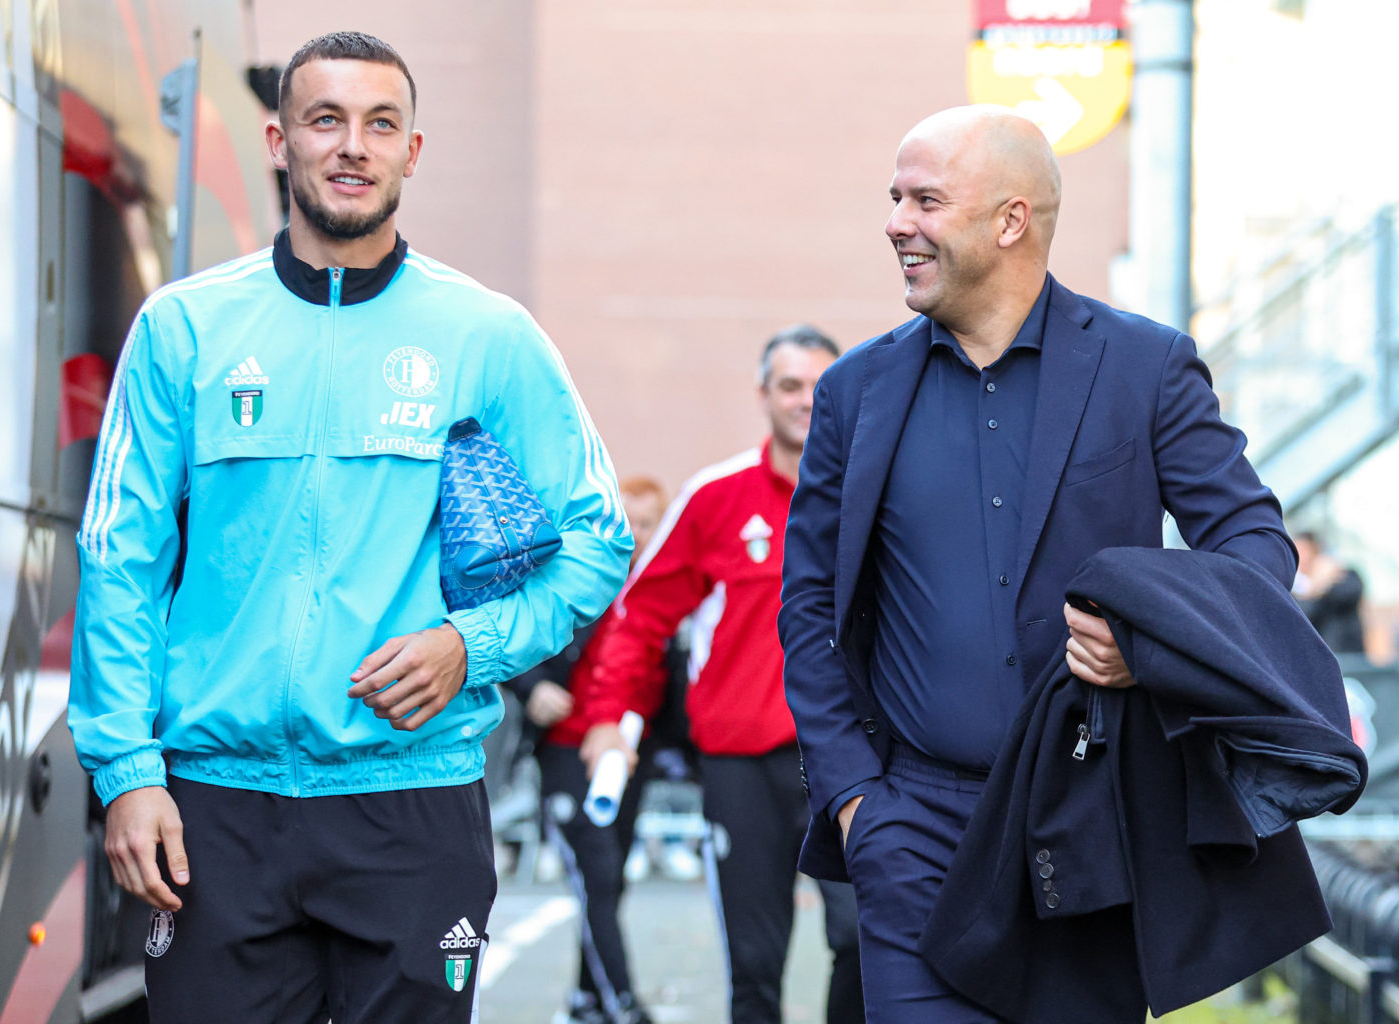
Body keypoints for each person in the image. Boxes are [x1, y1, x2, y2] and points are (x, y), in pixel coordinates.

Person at [67, 32, 631, 1024]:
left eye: (381, 124)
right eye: (326, 120)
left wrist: (474, 646)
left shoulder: (488, 335)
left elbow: (599, 539)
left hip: (411, 803)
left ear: (413, 151)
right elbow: (121, 554)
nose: (353, 146)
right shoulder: (183, 328)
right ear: (281, 141)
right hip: (217, 804)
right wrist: (125, 772)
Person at [778, 106, 1296, 1022]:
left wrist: (1153, 645)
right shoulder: (854, 392)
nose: (897, 221)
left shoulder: (1146, 367)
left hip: (1090, 830)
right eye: (895, 197)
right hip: (915, 835)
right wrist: (860, 802)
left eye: (926, 199)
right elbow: (810, 609)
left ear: (1010, 221)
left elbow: (1254, 548)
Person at [582, 326, 865, 1024]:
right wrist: (609, 721)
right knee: (756, 961)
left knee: (863, 937)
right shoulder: (716, 498)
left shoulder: (875, 490)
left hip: (854, 759)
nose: (805, 401)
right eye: (789, 386)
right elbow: (640, 616)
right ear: (763, 395)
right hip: (743, 764)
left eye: (818, 386)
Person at [505, 476, 670, 1024]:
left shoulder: (663, 591)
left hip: (626, 757)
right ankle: (622, 1002)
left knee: (609, 879)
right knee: (596, 875)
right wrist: (533, 689)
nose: (638, 535)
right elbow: (515, 633)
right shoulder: (576, 579)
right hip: (567, 752)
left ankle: (583, 999)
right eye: (629, 523)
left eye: (649, 524)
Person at [1292, 529, 1366, 653]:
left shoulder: (1344, 577)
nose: (1301, 558)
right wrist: (1317, 585)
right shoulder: (1293, 589)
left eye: (1304, 551)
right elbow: (1303, 617)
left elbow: (1350, 593)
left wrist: (1327, 580)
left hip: (1348, 660)